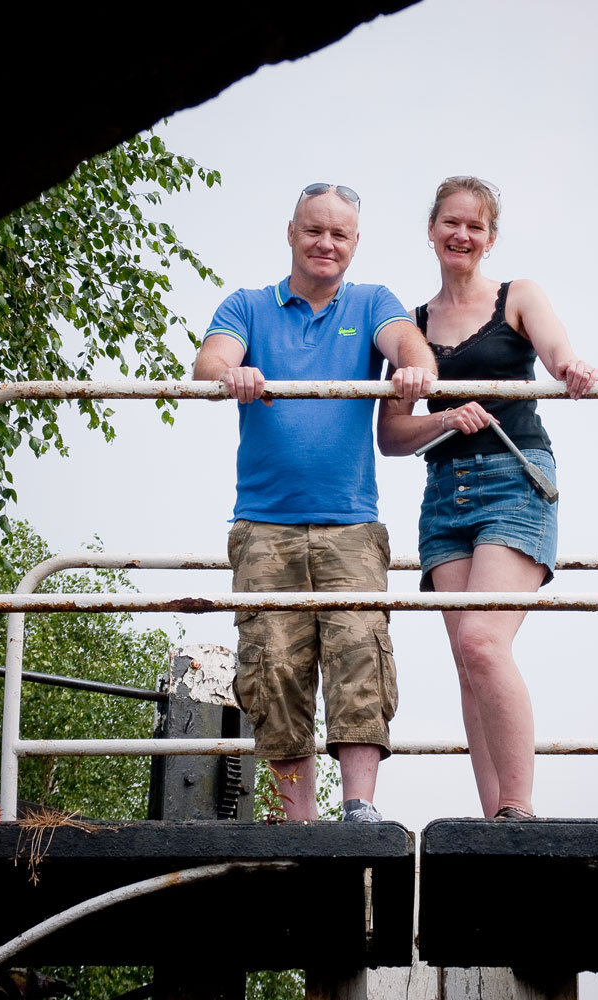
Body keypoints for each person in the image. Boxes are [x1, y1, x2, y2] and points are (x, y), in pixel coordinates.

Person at [194, 183, 437, 823]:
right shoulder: (248, 305)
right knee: (272, 669)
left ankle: (359, 807)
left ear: (355, 243)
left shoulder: (371, 301)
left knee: (360, 656)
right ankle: (295, 822)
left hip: (350, 524)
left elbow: (408, 344)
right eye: (314, 231)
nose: (326, 243)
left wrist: (413, 369)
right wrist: (232, 374)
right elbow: (209, 361)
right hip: (263, 526)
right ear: (291, 233)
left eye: (339, 234)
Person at [377, 176, 598, 820]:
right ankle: (493, 820)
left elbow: (557, 351)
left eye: (475, 226)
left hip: (514, 476)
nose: (462, 235)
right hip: (445, 494)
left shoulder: (518, 296)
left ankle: (518, 810)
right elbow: (391, 436)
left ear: (491, 238)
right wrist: (446, 418)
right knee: (467, 660)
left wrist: (571, 366)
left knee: (482, 641)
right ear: (431, 230)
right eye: (451, 222)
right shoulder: (411, 327)